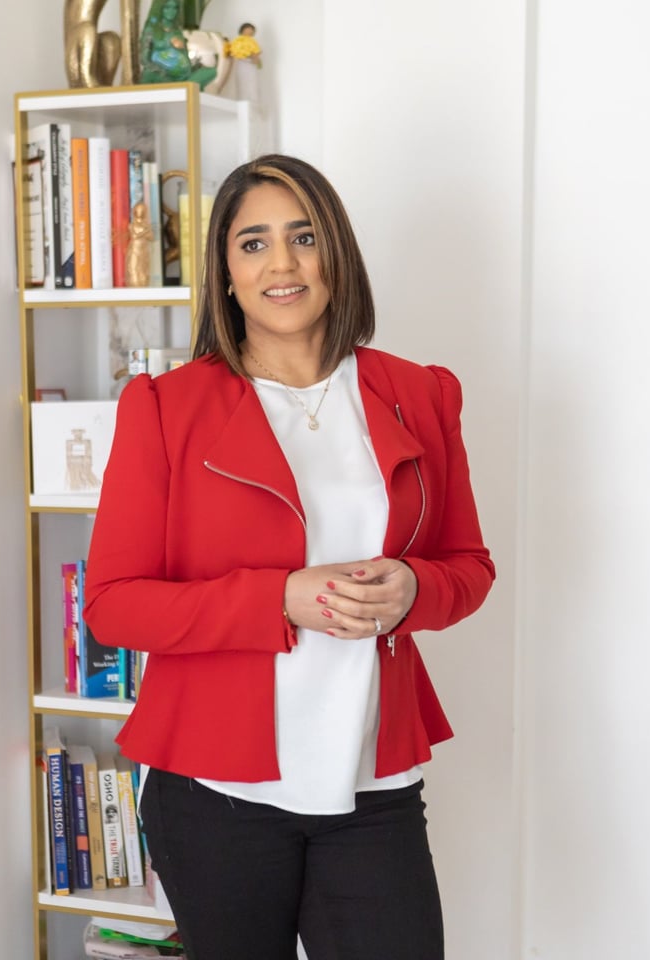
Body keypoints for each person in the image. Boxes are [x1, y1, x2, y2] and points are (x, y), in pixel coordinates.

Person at [83, 154, 495, 960]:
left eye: (303, 237)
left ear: (334, 255)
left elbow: (469, 567)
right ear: (225, 275)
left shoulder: (422, 393)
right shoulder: (166, 409)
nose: (281, 263)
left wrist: (414, 586)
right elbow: (114, 603)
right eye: (252, 243)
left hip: (373, 788)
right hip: (216, 798)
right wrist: (277, 597)